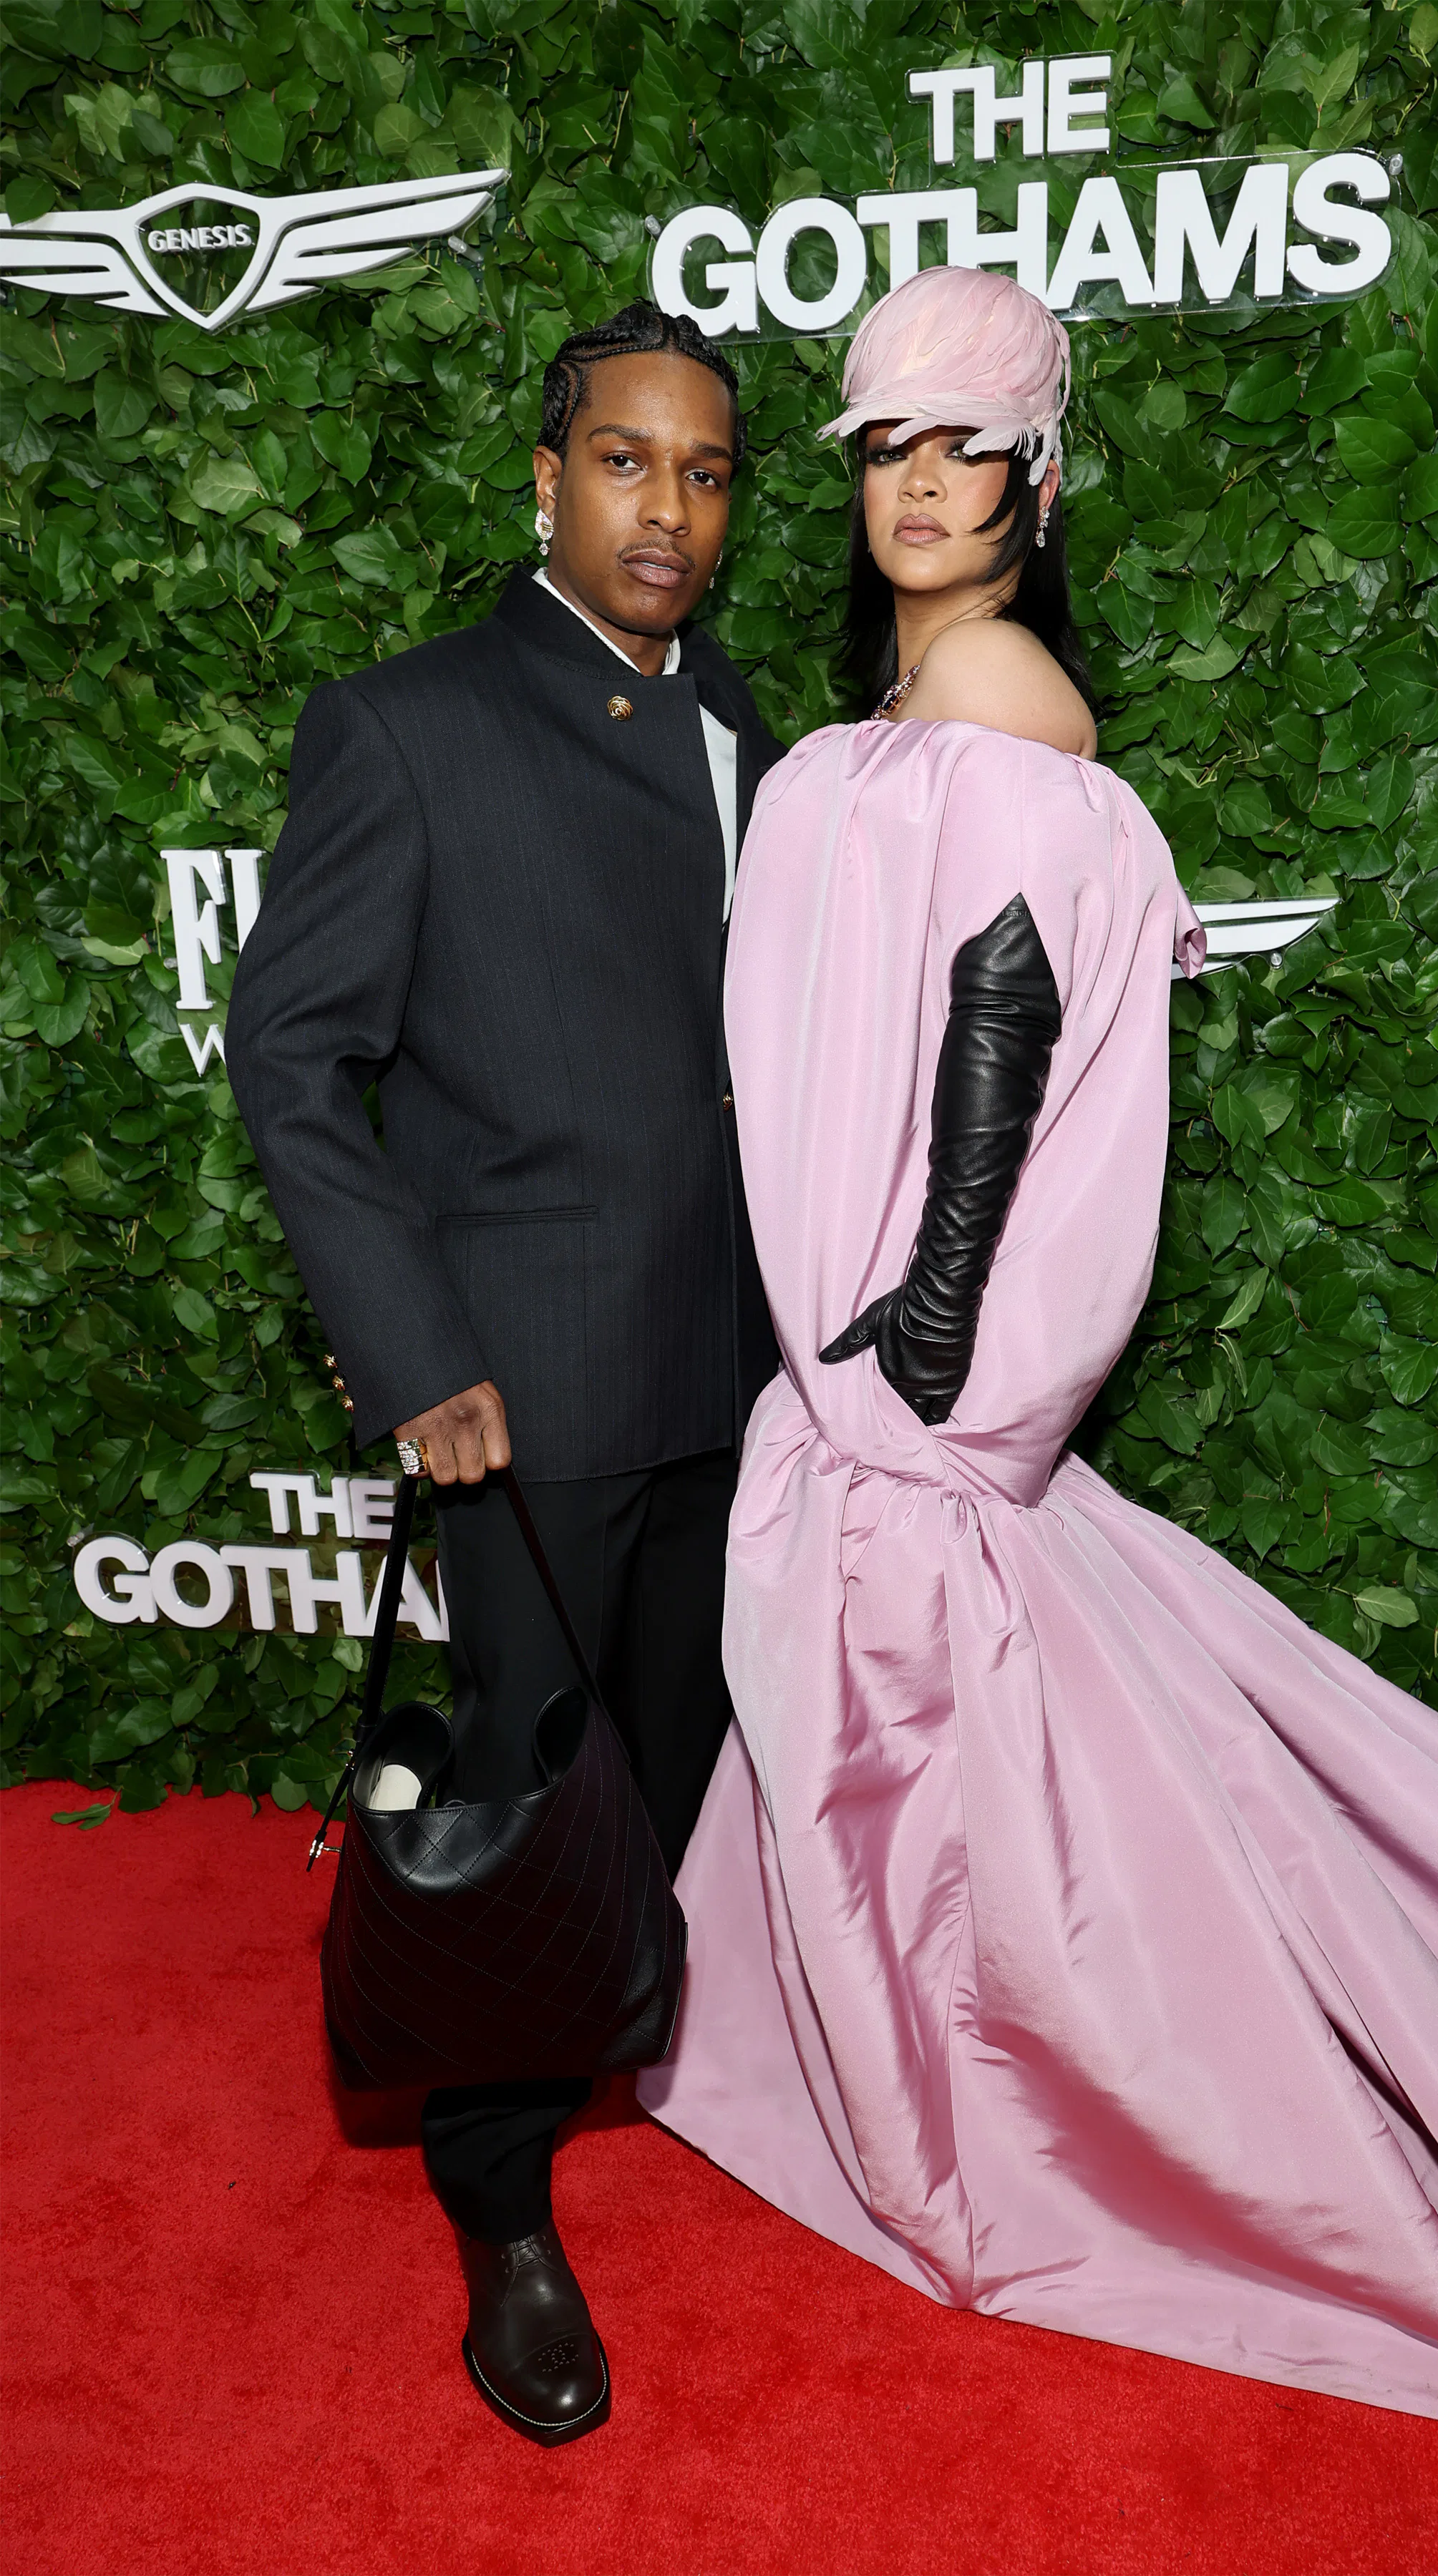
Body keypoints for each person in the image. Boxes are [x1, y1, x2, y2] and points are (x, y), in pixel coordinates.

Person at [637, 265, 1438, 2521]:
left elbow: (1007, 1015)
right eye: (883, 449)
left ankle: (1022, 2114)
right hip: (860, 1375)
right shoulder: (916, 699)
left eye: (966, 449)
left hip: (901, 1392)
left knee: (964, 1770)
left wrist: (929, 1323)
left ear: (1039, 481)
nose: (919, 484)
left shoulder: (1002, 701)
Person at [226, 301, 781, 2446]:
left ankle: (658, 2052)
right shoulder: (408, 725)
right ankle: (498, 2202)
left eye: (709, 474)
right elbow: (295, 1059)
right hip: (528, 1392)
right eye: (628, 462)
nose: (669, 508)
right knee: (507, 1821)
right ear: (546, 480)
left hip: (740, 1377)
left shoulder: (735, 703)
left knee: (670, 1765)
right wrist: (420, 1345)